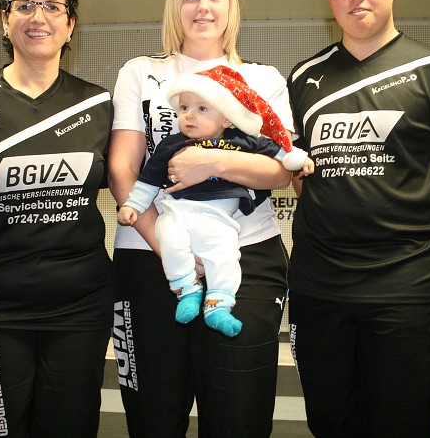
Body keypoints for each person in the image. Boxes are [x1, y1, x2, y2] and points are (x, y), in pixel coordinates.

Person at [286, 0, 430, 437]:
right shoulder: (303, 79)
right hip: (319, 287)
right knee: (331, 422)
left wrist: (406, 233)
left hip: (409, 289)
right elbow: (303, 176)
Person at [108, 0, 294, 437]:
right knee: (153, 417)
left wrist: (214, 163)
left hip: (245, 254)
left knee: (238, 418)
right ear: (176, 5)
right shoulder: (140, 72)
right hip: (150, 254)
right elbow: (123, 167)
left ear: (232, 6)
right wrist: (170, 249)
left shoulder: (263, 79)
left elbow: (280, 172)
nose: (203, 7)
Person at [0, 0, 113, 437]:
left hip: (79, 305)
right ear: (5, 19)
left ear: (70, 24)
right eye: (24, 6)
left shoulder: (100, 105)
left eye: (52, 6)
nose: (38, 17)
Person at [118, 66, 312, 338]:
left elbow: (280, 152)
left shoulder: (242, 141)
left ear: (227, 118)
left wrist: (301, 160)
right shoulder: (172, 145)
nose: (190, 115)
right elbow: (148, 180)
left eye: (202, 109)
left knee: (224, 254)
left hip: (219, 216)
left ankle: (219, 305)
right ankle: (187, 290)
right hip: (176, 211)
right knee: (169, 239)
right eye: (184, 108)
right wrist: (132, 206)